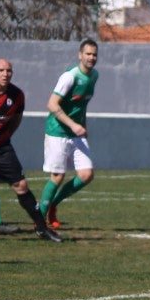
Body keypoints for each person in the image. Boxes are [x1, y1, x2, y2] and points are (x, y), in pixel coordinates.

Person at [0, 59, 62, 241]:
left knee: (21, 186)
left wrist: (6, 135)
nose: (5, 74)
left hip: (2, 147)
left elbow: (16, 118)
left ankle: (42, 228)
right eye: (1, 70)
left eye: (9, 71)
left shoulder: (17, 95)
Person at [39, 38, 100, 229]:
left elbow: (81, 105)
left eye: (94, 54)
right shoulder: (70, 76)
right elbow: (52, 104)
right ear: (80, 55)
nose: (91, 58)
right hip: (58, 131)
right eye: (88, 54)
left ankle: (53, 205)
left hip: (76, 133)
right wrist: (73, 125)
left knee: (86, 174)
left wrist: (83, 125)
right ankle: (39, 221)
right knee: (57, 177)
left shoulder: (94, 76)